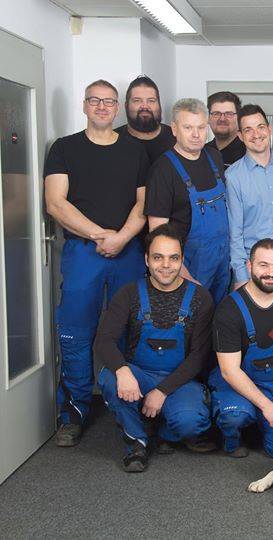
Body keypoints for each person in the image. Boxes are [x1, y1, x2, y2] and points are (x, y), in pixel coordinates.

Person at [44, 79, 149, 446]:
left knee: (133, 330)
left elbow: (144, 203)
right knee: (75, 331)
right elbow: (55, 203)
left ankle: (133, 410)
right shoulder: (64, 148)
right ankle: (73, 413)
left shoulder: (135, 151)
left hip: (128, 251)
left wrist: (121, 237)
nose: (102, 106)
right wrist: (99, 235)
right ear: (84, 105)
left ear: (117, 108)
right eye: (95, 100)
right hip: (83, 253)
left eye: (109, 101)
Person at [95, 225, 214, 472]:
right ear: (147, 259)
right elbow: (104, 340)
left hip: (181, 381)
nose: (166, 265)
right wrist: (123, 371)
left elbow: (199, 356)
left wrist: (162, 391)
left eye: (174, 258)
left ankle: (163, 431)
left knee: (191, 422)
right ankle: (136, 443)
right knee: (109, 377)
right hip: (139, 376)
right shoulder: (129, 294)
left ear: (182, 259)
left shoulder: (201, 298)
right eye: (158, 257)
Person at [210, 239, 273, 459]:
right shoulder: (229, 309)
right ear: (249, 265)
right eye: (263, 265)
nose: (271, 273)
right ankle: (233, 439)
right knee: (235, 416)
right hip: (237, 384)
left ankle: (261, 426)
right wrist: (266, 406)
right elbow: (229, 371)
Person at [145, 98, 230, 305]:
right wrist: (184, 276)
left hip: (222, 261)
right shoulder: (163, 169)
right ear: (174, 129)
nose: (196, 134)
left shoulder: (214, 157)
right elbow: (157, 232)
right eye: (188, 127)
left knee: (220, 317)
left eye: (201, 127)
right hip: (187, 266)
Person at [226, 104, 273, 289]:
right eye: (248, 130)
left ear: (269, 129)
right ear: (240, 136)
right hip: (255, 274)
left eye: (260, 127)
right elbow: (235, 232)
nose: (256, 134)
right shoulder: (233, 176)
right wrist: (241, 276)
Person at [116, 75, 176, 164]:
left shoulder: (177, 139)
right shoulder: (112, 140)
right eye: (137, 100)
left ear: (159, 105)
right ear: (126, 106)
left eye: (151, 101)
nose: (145, 106)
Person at [205, 91, 246, 169]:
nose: (222, 119)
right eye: (216, 113)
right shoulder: (201, 152)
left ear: (238, 118)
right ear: (209, 118)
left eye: (229, 114)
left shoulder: (249, 154)